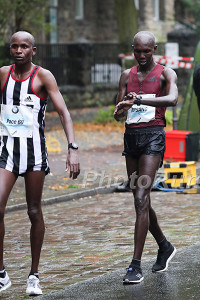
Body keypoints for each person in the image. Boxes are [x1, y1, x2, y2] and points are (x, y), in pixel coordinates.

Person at [0, 31, 80, 295]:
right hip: (7, 153)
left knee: (33, 211)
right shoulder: (2, 74)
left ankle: (34, 275)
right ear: (10, 49)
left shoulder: (43, 76)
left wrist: (72, 148)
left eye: (24, 46)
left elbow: (64, 112)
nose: (19, 50)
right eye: (15, 46)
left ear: (33, 50)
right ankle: (1, 273)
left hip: (34, 153)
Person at [114, 31, 178, 284]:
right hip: (131, 139)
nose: (142, 56)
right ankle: (164, 246)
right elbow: (117, 113)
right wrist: (122, 107)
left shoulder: (166, 73)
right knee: (140, 200)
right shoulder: (125, 76)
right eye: (137, 51)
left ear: (154, 49)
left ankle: (135, 265)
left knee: (141, 197)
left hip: (153, 136)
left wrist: (139, 99)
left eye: (147, 51)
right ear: (133, 49)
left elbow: (172, 99)